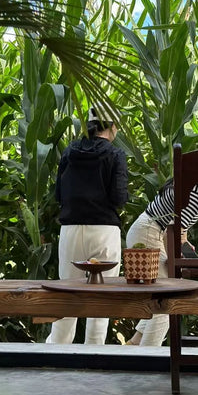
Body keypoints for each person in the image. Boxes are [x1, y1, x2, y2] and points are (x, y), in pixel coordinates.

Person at [125, 141, 198, 346]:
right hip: (149, 235)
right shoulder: (195, 194)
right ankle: (146, 360)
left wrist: (183, 242)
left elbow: (176, 224)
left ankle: (134, 344)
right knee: (166, 304)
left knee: (160, 298)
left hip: (149, 230)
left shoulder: (195, 184)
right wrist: (177, 249)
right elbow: (171, 230)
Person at [46, 103, 128, 345]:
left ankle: (55, 357)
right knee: (101, 303)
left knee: (66, 299)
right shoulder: (115, 154)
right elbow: (119, 197)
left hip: (71, 229)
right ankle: (94, 358)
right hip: (104, 230)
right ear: (112, 127)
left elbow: (59, 194)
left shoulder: (69, 151)